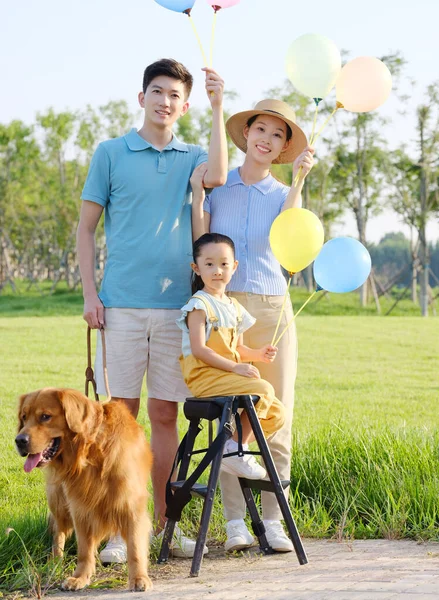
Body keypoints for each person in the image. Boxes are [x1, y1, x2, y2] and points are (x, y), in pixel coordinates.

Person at [76, 58, 228, 563]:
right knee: (120, 417)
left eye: (175, 96)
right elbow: (85, 229)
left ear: (183, 106)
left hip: (174, 309)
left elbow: (221, 175)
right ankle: (120, 529)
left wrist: (217, 107)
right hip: (119, 305)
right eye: (157, 92)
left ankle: (162, 523)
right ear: (141, 97)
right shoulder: (111, 153)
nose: (165, 101)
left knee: (166, 413)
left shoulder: (191, 159)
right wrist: (90, 295)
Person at [191, 99, 314, 553]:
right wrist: (198, 193)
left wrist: (300, 182)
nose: (266, 138)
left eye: (277, 134)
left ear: (283, 147)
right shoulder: (219, 191)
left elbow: (290, 243)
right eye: (259, 128)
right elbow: (198, 240)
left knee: (276, 414)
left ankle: (274, 520)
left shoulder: (285, 194)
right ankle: (235, 523)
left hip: (273, 309)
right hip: (225, 309)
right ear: (246, 136)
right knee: (227, 416)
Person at [177, 231, 285, 480]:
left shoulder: (234, 308)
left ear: (234, 267)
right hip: (204, 376)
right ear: (197, 268)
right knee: (265, 389)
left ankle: (235, 446)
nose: (217, 271)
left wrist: (258, 354)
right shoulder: (199, 305)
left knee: (277, 412)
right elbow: (199, 349)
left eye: (224, 264)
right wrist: (236, 368)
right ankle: (235, 451)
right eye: (209, 264)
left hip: (226, 375)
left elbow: (237, 349)